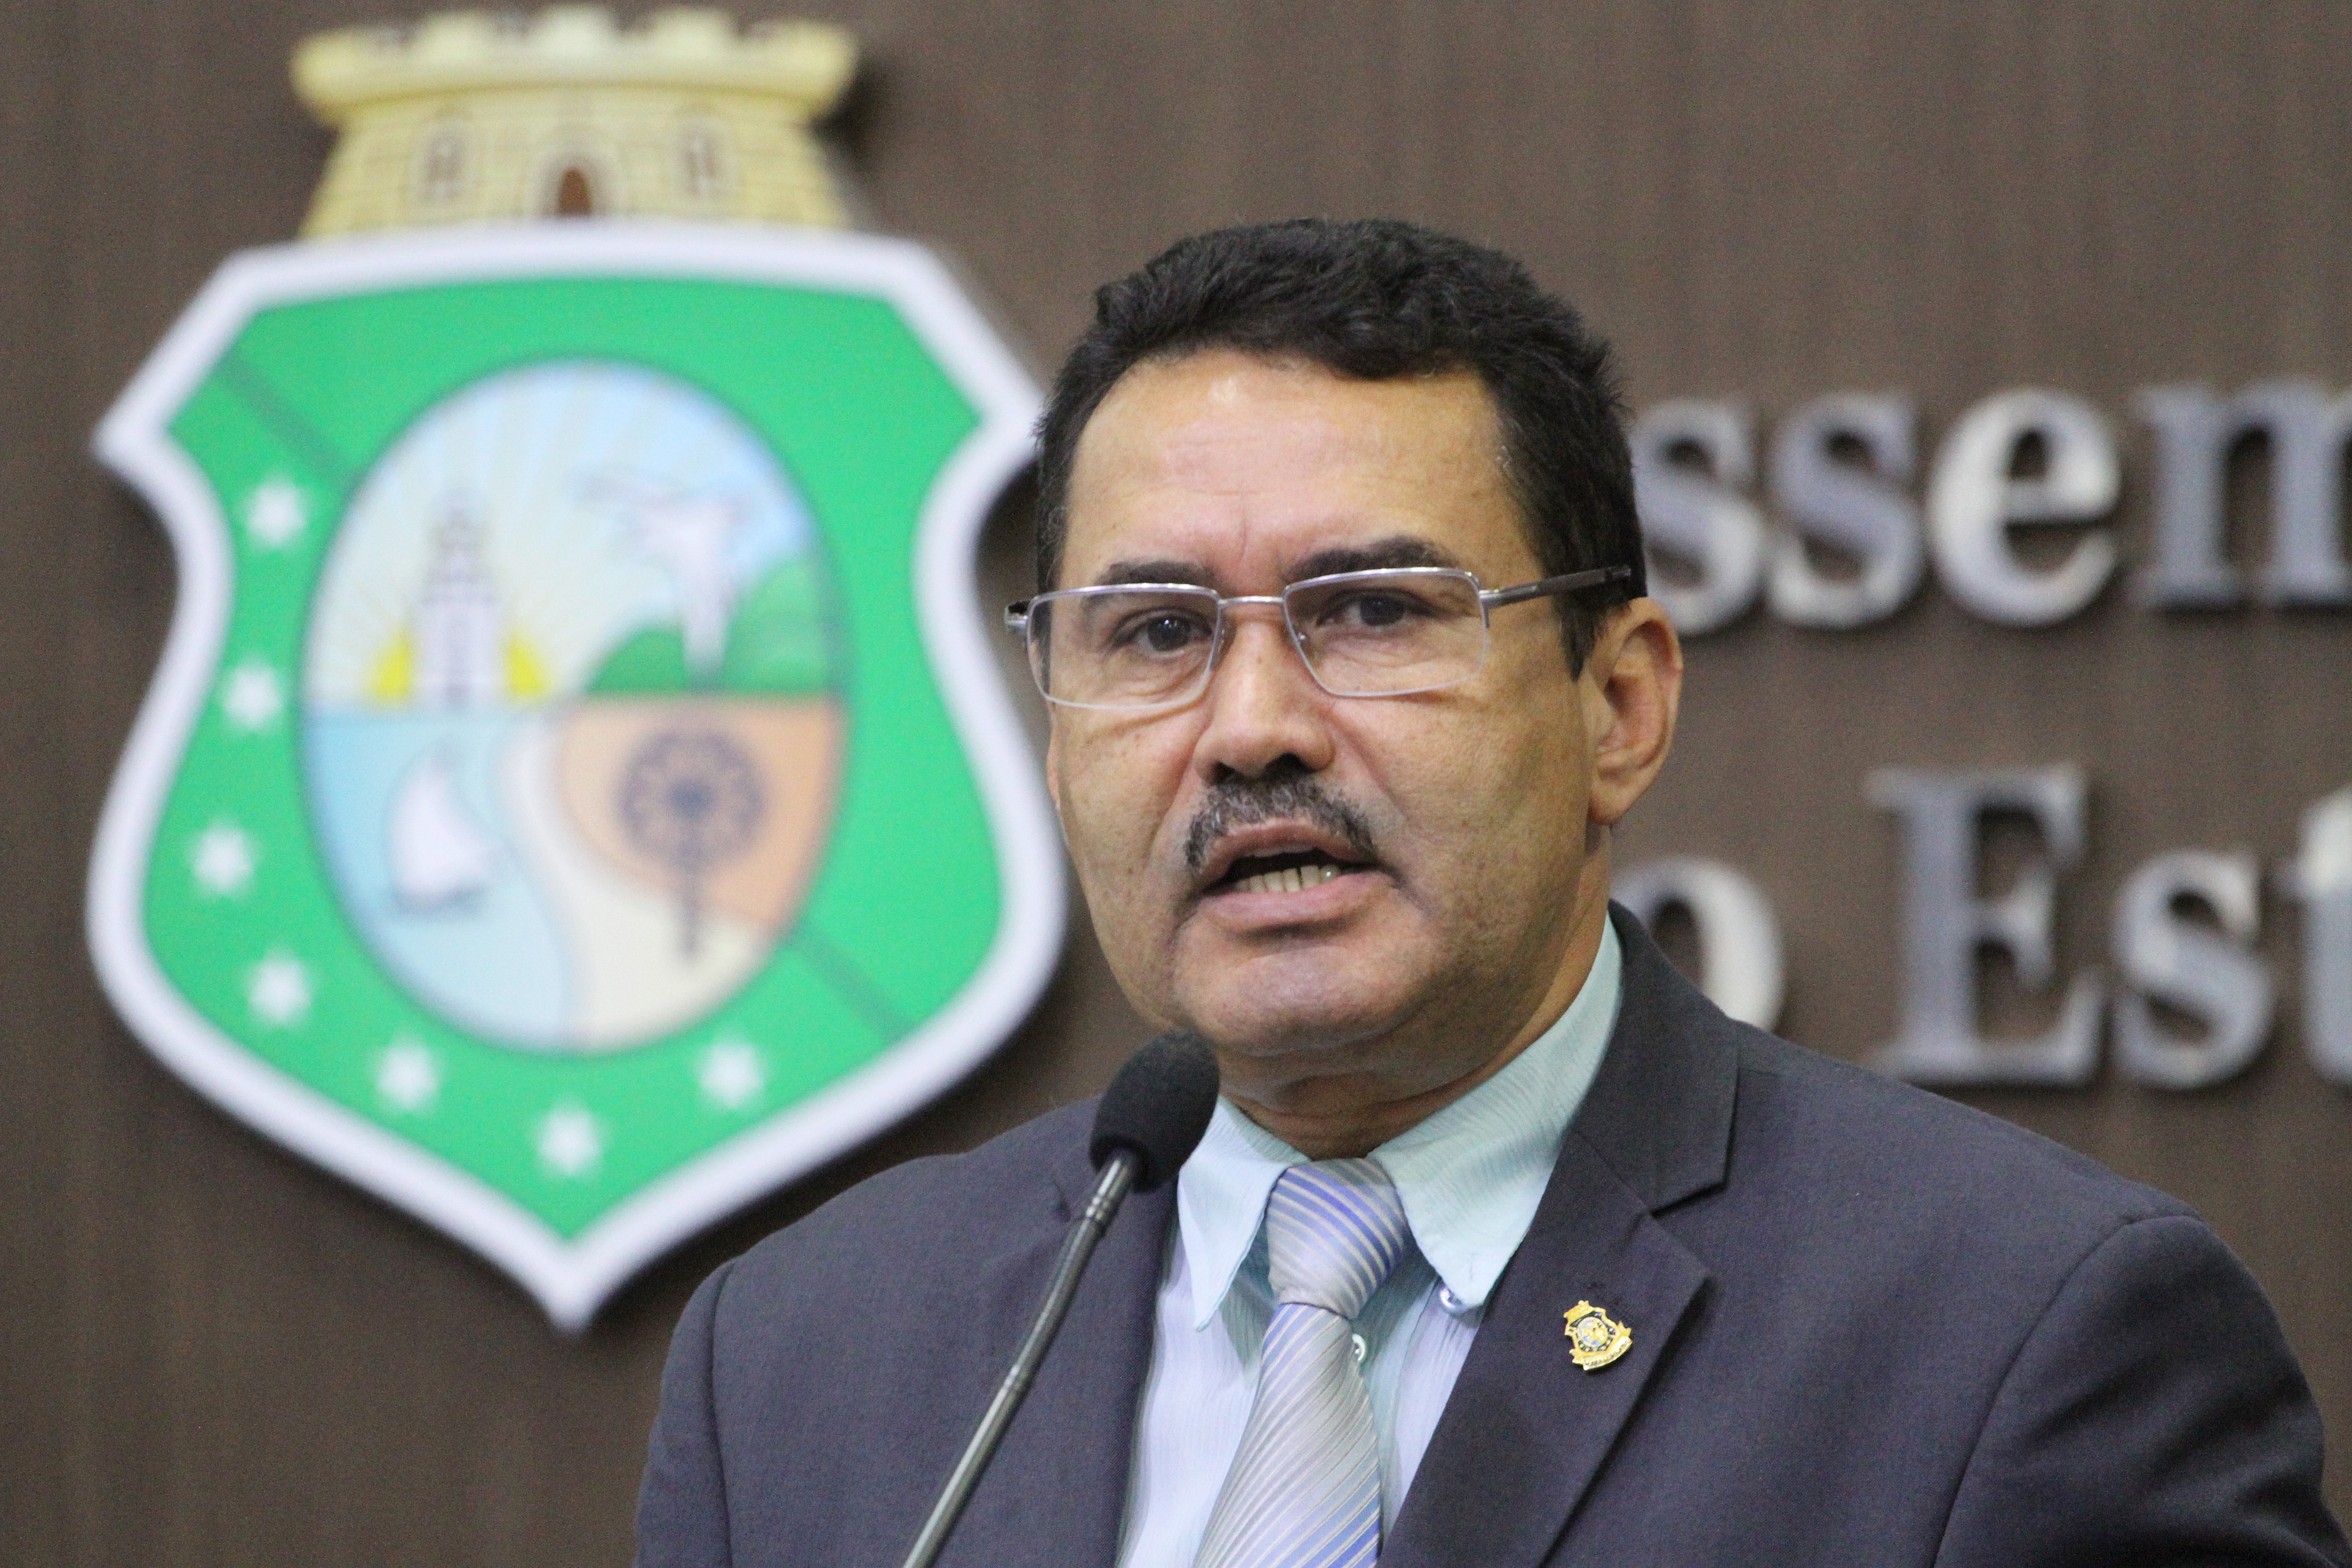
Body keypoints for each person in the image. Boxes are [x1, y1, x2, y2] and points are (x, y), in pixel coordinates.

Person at [635, 219, 2347, 1568]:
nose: (1250, 727)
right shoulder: (799, 1362)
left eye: (1374, 611)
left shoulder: (2023, 1337)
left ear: (1621, 706)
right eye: (1154, 633)